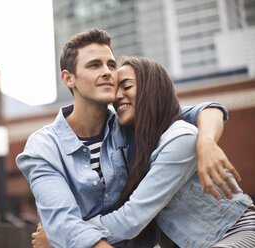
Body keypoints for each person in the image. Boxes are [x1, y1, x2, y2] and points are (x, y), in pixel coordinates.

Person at [16, 29, 240, 248]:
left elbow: (203, 111)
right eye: (94, 65)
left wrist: (207, 142)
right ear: (68, 78)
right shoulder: (43, 148)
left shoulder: (134, 121)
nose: (107, 72)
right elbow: (62, 219)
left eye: (111, 65)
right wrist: (63, 233)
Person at [83, 56, 254, 247]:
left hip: (233, 233)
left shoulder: (180, 138)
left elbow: (131, 218)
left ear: (151, 90)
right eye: (115, 90)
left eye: (127, 86)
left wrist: (67, 235)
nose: (117, 96)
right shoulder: (132, 139)